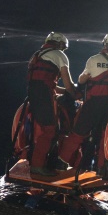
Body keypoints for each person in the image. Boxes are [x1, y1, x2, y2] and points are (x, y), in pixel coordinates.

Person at [56, 32, 108, 171]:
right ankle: (104, 169)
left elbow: (82, 80)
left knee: (78, 133)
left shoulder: (94, 60)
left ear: (106, 44)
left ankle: (61, 162)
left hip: (93, 104)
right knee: (105, 138)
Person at [26, 32, 79, 176]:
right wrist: (76, 94)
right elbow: (68, 85)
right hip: (43, 95)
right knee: (50, 130)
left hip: (33, 93)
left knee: (46, 129)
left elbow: (48, 83)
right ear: (60, 44)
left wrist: (64, 91)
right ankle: (37, 166)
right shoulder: (59, 55)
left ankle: (39, 163)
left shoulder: (38, 55)